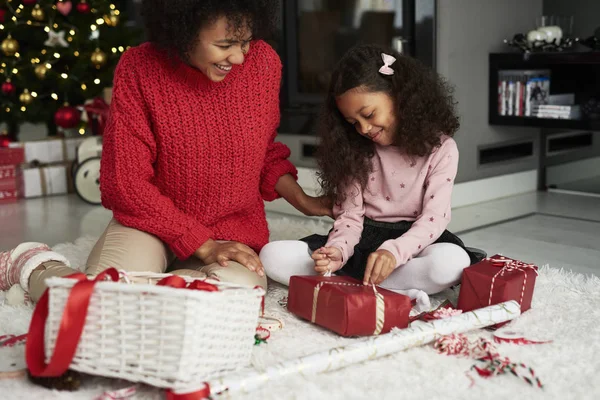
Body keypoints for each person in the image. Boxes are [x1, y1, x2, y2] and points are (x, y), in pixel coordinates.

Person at [0, 0, 331, 302]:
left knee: (232, 302)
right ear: (184, 32)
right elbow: (124, 183)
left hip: (230, 229)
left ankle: (147, 294)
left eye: (245, 42)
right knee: (104, 300)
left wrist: (305, 201)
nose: (239, 57)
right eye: (225, 45)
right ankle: (34, 266)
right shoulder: (139, 68)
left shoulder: (264, 65)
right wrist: (201, 243)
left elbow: (263, 149)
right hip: (150, 225)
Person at [260, 44, 485, 309]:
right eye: (353, 122)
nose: (364, 128)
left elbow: (434, 219)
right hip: (362, 241)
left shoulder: (442, 149)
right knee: (270, 255)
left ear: (399, 95)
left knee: (451, 264)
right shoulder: (355, 149)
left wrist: (394, 252)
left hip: (414, 243)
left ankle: (353, 283)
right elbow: (350, 218)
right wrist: (337, 253)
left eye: (368, 114)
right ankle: (385, 284)